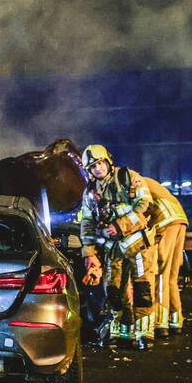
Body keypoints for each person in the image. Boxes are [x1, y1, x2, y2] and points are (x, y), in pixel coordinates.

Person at [79, 145, 157, 350]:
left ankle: (144, 334)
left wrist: (120, 226)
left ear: (108, 161)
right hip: (112, 249)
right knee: (113, 290)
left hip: (138, 244)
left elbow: (145, 204)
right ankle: (123, 330)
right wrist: (89, 252)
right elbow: (87, 222)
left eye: (100, 163)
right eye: (93, 166)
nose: (97, 169)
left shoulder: (128, 177)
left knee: (143, 289)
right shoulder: (90, 192)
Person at [141, 177, 189, 337]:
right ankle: (175, 320)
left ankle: (160, 323)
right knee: (171, 276)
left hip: (164, 220)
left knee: (159, 272)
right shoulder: (142, 178)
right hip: (178, 218)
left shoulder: (124, 180)